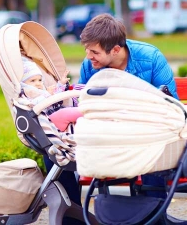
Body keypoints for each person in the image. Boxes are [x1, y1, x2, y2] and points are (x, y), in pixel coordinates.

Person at [46, 14, 178, 224]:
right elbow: (84, 105)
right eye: (87, 50)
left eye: (94, 51)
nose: (89, 56)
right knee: (53, 150)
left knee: (157, 149)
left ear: (116, 49)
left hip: (147, 136)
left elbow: (172, 107)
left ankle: (153, 216)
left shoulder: (150, 58)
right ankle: (74, 218)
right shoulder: (90, 65)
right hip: (108, 139)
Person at [18, 56, 82, 131]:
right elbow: (31, 105)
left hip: (55, 116)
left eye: (40, 80)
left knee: (71, 112)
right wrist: (47, 94)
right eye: (33, 81)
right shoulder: (26, 94)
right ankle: (85, 112)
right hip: (47, 122)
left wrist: (61, 84)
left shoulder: (43, 91)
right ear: (23, 83)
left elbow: (55, 96)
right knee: (66, 112)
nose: (38, 83)